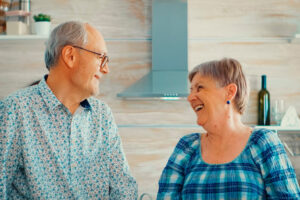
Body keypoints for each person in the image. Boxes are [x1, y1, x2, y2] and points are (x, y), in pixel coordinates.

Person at [0, 21, 138, 199]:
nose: (106, 69)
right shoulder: (15, 110)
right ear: (70, 55)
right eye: (101, 57)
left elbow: (124, 188)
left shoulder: (102, 115)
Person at [157, 58, 300, 199]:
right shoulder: (188, 146)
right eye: (191, 90)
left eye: (200, 88)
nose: (190, 97)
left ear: (230, 92)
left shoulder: (263, 142)